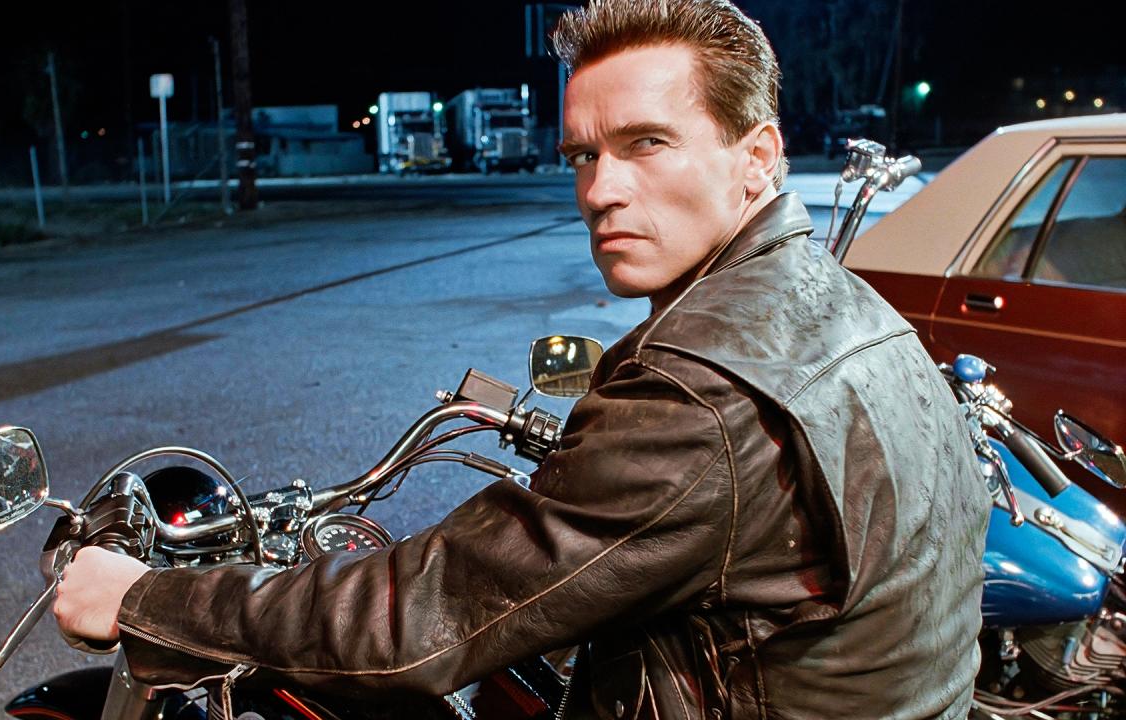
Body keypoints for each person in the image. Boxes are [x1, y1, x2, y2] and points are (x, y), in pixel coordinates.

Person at [55, 1, 989, 717]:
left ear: (758, 156)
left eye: (646, 144)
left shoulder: (698, 394)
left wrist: (148, 601)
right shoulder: (846, 304)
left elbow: (420, 620)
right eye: (583, 155)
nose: (601, 190)